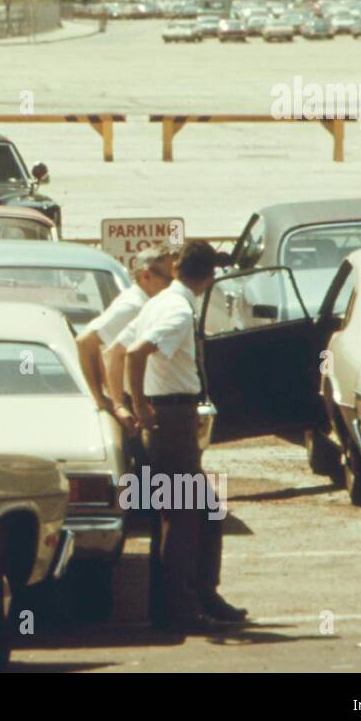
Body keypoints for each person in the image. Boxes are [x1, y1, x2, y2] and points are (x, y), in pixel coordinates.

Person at [126, 239, 247, 633]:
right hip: (170, 416)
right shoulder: (176, 310)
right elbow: (134, 353)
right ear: (209, 278)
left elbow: (119, 349)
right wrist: (141, 406)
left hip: (176, 411)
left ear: (178, 268)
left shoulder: (160, 301)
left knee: (204, 513)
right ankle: (176, 609)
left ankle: (200, 595)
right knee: (182, 518)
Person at [77, 244, 177, 437]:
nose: (173, 285)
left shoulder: (146, 303)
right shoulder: (132, 306)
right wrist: (106, 401)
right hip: (130, 403)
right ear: (146, 276)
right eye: (169, 279)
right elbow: (85, 342)